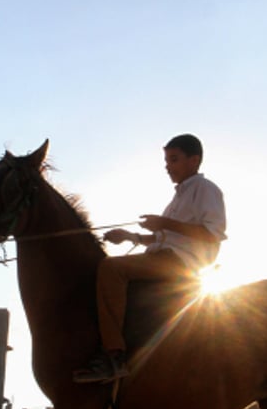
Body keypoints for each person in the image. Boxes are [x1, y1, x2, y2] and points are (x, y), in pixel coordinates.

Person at [73, 134, 227, 383]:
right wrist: (129, 236)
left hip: (183, 265)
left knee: (111, 269)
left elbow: (212, 234)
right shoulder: (178, 197)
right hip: (164, 258)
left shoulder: (206, 189)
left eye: (174, 159)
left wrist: (165, 223)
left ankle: (114, 356)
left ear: (194, 160)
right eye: (166, 160)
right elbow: (162, 239)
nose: (168, 166)